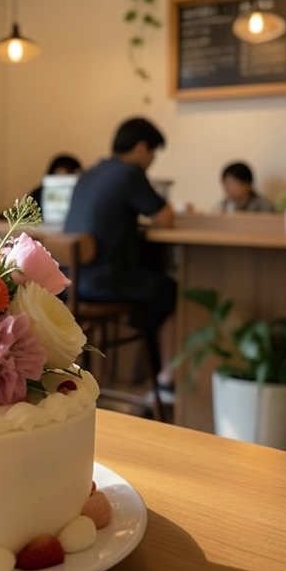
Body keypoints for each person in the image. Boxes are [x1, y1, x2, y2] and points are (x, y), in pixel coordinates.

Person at [64, 118, 177, 398]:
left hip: (72, 285)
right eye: (153, 153)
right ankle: (166, 380)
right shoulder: (130, 174)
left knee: (147, 282)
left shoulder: (88, 174)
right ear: (141, 148)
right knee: (169, 289)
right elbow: (166, 219)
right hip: (105, 283)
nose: (152, 160)